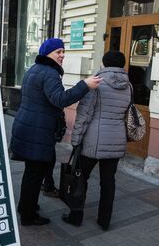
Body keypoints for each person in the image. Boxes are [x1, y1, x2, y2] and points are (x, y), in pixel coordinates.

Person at [11, 38, 102, 226]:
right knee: (35, 174)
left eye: (63, 51)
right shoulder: (49, 73)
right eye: (58, 52)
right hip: (37, 131)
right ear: (47, 53)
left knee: (32, 172)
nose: (62, 55)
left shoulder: (34, 70)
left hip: (29, 127)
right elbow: (60, 99)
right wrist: (85, 85)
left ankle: (25, 206)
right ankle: (28, 216)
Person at [62, 51, 131, 231]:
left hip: (93, 139)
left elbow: (84, 115)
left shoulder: (95, 83)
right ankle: (104, 220)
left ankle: (76, 215)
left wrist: (75, 140)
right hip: (116, 138)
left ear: (104, 63)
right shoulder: (128, 86)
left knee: (80, 177)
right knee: (108, 181)